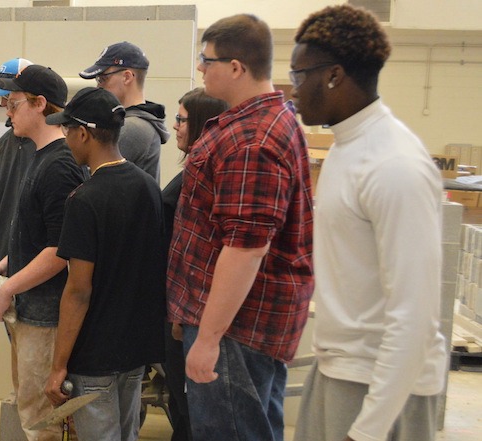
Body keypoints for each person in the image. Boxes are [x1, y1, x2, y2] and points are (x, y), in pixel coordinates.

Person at [290, 5, 448, 441]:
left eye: (299, 74)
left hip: (384, 387)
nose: (294, 89)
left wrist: (369, 430)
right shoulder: (346, 146)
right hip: (338, 369)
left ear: (334, 76)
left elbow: (414, 312)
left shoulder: (394, 165)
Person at [165, 14, 314, 441]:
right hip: (233, 325)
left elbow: (246, 250)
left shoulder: (253, 141)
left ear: (236, 67)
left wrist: (208, 338)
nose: (200, 67)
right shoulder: (253, 123)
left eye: (207, 59)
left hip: (236, 330)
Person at [41, 87, 165, 440]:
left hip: (95, 356)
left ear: (83, 133)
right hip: (135, 350)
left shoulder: (85, 199)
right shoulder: (148, 187)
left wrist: (58, 366)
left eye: (67, 131)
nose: (65, 140)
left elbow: (79, 290)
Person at [0, 64, 86, 440]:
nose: (8, 112)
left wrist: (10, 287)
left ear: (40, 104)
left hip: (46, 313)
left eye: (14, 104)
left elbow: (61, 250)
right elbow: (42, 235)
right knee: (32, 411)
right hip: (33, 308)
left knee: (43, 420)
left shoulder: (59, 164)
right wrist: (8, 263)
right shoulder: (42, 155)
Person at [161, 87, 228, 441]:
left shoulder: (199, 179)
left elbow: (196, 255)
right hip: (179, 310)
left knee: (192, 414)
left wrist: (181, 315)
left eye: (182, 119)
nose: (175, 126)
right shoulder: (191, 174)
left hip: (187, 314)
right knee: (183, 408)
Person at [79, 41, 169, 181]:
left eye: (103, 79)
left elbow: (92, 180)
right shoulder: (137, 122)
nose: (98, 87)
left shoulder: (132, 128)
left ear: (127, 77)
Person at [0, 57, 35, 267]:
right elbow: (5, 204)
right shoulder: (5, 143)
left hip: (31, 262)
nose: (3, 104)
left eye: (8, 97)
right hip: (1, 259)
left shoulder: (58, 148)